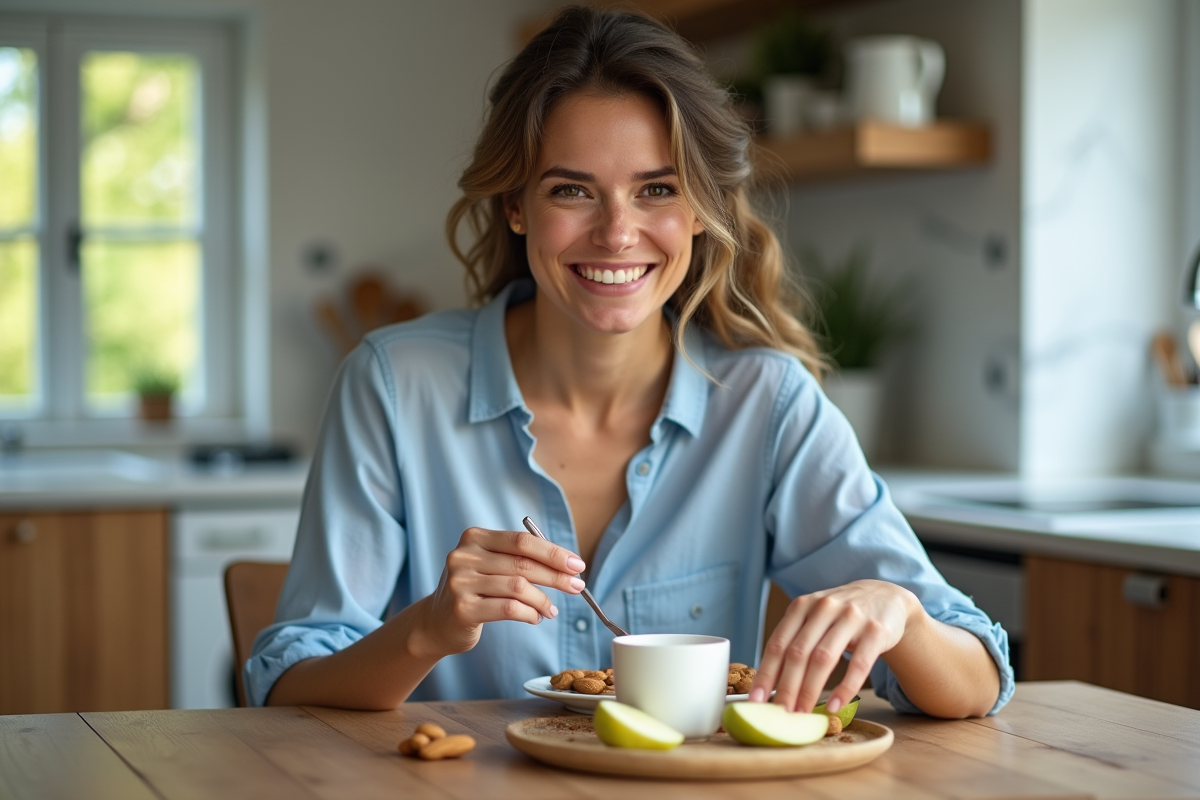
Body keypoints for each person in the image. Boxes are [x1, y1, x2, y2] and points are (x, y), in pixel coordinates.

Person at [246, 5, 1013, 720]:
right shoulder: (392, 385)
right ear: (515, 205)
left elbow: (978, 680)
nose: (617, 233)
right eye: (572, 190)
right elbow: (287, 690)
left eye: (656, 190)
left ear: (701, 210)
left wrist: (904, 615)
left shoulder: (768, 402)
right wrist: (428, 629)